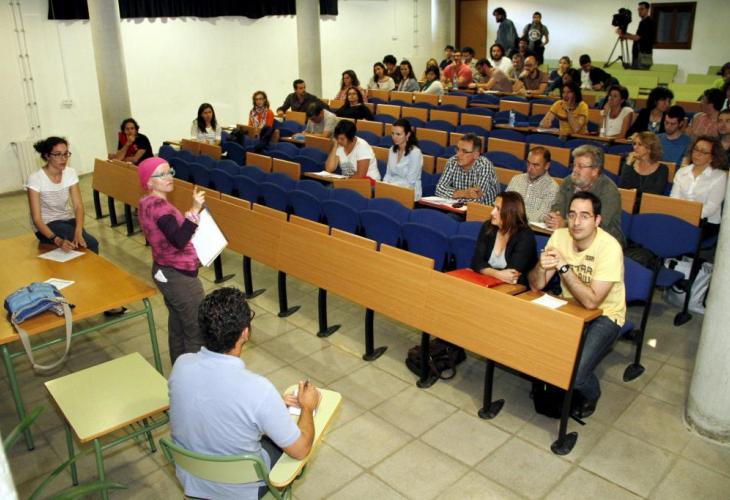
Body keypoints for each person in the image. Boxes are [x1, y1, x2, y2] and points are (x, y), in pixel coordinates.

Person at [169, 287, 319, 500]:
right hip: (241, 490)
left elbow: (214, 406)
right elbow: (301, 449)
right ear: (245, 333)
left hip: (193, 480)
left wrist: (270, 408)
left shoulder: (181, 366)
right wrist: (307, 407)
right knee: (292, 447)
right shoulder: (259, 389)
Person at [529, 192, 626, 419]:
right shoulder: (559, 237)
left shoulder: (610, 248)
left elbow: (592, 302)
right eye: (572, 215)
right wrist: (541, 266)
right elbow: (536, 285)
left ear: (597, 220)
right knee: (534, 343)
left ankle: (591, 394)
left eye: (585, 216)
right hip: (570, 307)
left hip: (606, 315)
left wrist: (564, 267)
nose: (576, 222)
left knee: (576, 374)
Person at [137, 157, 206, 363]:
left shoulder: (146, 202)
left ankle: (179, 369)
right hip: (178, 276)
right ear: (149, 181)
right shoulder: (160, 207)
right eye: (161, 174)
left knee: (178, 326)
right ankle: (192, 376)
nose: (168, 177)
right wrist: (194, 211)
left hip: (164, 269)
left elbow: (170, 235)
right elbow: (179, 240)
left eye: (169, 172)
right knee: (196, 330)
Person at [27, 137, 99, 254]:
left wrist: (78, 231)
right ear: (47, 156)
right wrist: (57, 240)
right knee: (91, 244)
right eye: (57, 154)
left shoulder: (70, 173)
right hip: (46, 225)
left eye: (66, 154)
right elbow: (37, 219)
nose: (63, 158)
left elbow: (78, 206)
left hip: (67, 219)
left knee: (83, 241)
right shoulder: (35, 179)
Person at [546, 145, 625, 246]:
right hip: (570, 238)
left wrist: (564, 224)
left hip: (603, 243)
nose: (575, 170)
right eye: (574, 165)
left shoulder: (609, 191)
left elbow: (598, 225)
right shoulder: (568, 181)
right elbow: (557, 208)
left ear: (594, 171)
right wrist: (553, 219)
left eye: (580, 166)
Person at [470, 192, 537, 286]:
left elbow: (512, 274)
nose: (492, 212)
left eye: (498, 209)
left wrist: (485, 269)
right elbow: (476, 262)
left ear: (510, 213)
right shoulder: (488, 227)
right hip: (487, 281)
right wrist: (497, 274)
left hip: (516, 287)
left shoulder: (525, 236)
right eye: (494, 207)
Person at [671, 136, 728, 240]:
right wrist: (680, 215)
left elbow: (711, 207)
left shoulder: (719, 176)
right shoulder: (682, 172)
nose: (697, 154)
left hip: (706, 222)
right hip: (679, 217)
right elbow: (674, 199)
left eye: (703, 152)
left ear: (712, 157)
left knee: (677, 233)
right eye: (696, 149)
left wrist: (689, 216)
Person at [435, 133, 498, 204]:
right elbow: (439, 189)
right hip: (457, 207)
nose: (458, 154)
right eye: (458, 149)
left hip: (482, 209)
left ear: (476, 155)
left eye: (464, 151)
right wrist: (463, 193)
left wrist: (453, 195)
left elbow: (476, 200)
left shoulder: (484, 166)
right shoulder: (452, 161)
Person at [506, 146, 559, 223]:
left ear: (547, 166)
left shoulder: (552, 188)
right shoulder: (516, 179)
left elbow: (541, 218)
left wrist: (514, 214)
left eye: (535, 165)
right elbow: (504, 205)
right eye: (528, 163)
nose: (529, 169)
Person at [620, 132, 669, 210]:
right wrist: (628, 163)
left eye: (640, 144)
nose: (635, 147)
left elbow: (655, 194)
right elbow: (623, 189)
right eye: (634, 144)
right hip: (628, 207)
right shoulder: (629, 165)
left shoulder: (662, 169)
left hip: (649, 208)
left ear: (649, 148)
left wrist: (634, 193)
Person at [384, 119, 422, 200]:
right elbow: (388, 174)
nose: (394, 137)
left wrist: (391, 187)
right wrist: (384, 186)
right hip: (392, 190)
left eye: (398, 134)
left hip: (409, 193)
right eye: (392, 133)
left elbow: (410, 181)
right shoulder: (392, 150)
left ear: (408, 134)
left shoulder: (415, 152)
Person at [620, 2, 656, 69]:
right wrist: (625, 34)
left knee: (639, 75)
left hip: (642, 56)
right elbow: (638, 36)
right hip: (640, 55)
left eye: (642, 9)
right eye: (638, 9)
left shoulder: (648, 22)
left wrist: (623, 35)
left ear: (647, 10)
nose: (639, 11)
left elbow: (637, 38)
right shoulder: (643, 22)